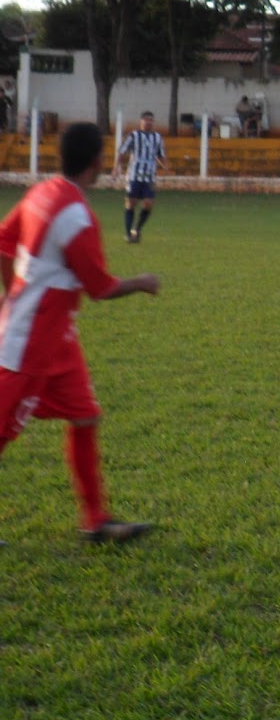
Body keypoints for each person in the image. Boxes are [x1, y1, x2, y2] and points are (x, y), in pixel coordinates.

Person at [0, 122, 161, 543]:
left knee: (85, 416)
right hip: (29, 342)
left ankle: (95, 520)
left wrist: (11, 294)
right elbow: (100, 287)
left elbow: (3, 241)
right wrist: (142, 281)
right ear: (97, 162)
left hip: (57, 339)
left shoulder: (41, 192)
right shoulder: (76, 215)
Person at [115, 110, 167, 244]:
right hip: (134, 175)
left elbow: (160, 155)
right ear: (141, 121)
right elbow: (122, 151)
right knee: (131, 203)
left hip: (149, 177)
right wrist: (116, 168)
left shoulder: (157, 137)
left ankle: (136, 229)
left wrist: (165, 167)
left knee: (149, 203)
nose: (149, 122)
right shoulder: (133, 135)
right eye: (146, 119)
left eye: (151, 120)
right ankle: (128, 234)